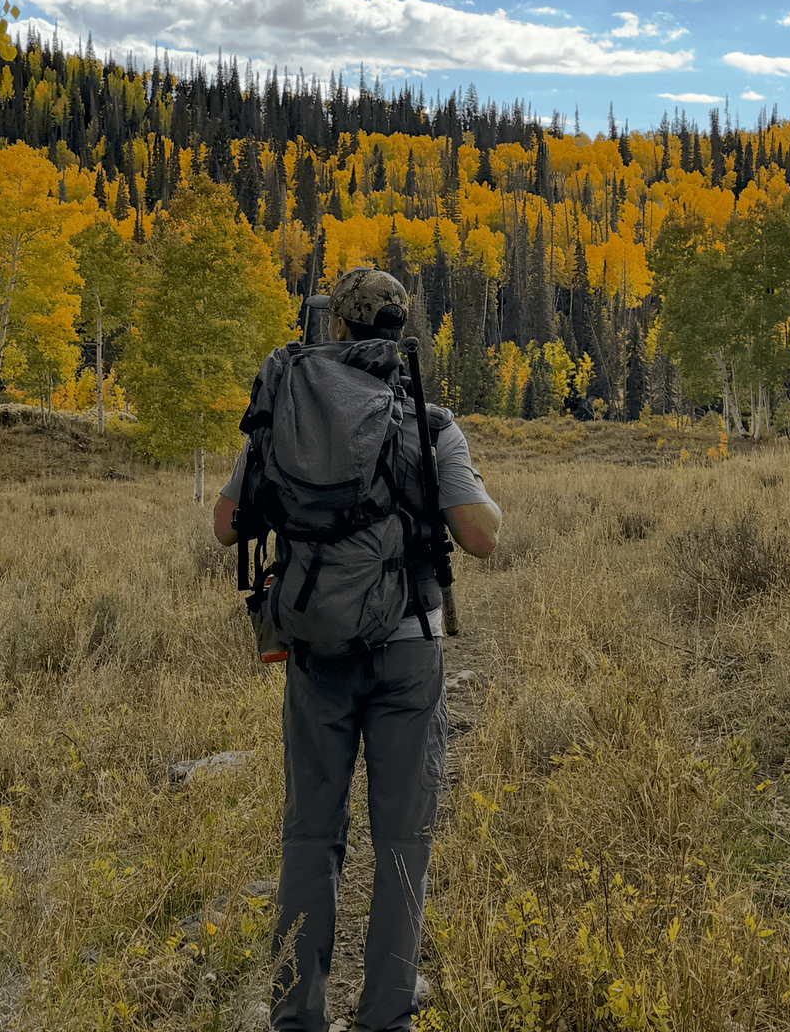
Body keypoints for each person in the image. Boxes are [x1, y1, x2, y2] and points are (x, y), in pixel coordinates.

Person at [214, 267, 501, 1032]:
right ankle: (385, 1019)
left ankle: (297, 1018)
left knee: (311, 835)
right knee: (403, 839)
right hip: (409, 649)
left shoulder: (286, 410)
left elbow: (225, 525)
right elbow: (479, 536)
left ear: (334, 327)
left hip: (315, 650)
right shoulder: (431, 421)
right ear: (399, 330)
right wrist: (478, 496)